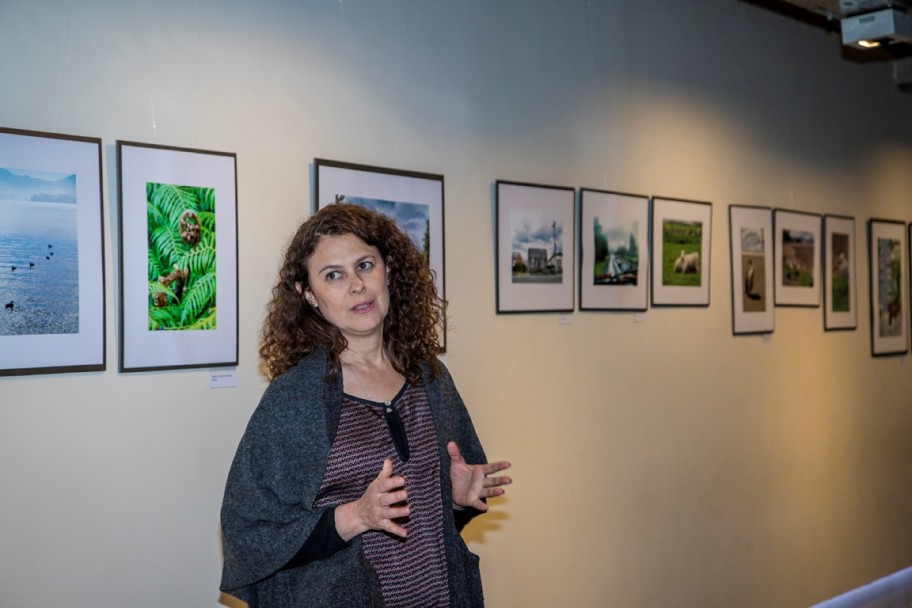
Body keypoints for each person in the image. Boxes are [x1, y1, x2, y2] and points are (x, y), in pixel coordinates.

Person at [219, 202, 512, 607]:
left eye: (365, 265)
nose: (356, 285)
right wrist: (354, 516)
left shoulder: (430, 378)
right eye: (333, 275)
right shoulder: (295, 397)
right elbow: (249, 532)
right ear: (309, 295)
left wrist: (456, 501)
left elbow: (431, 521)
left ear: (387, 271)